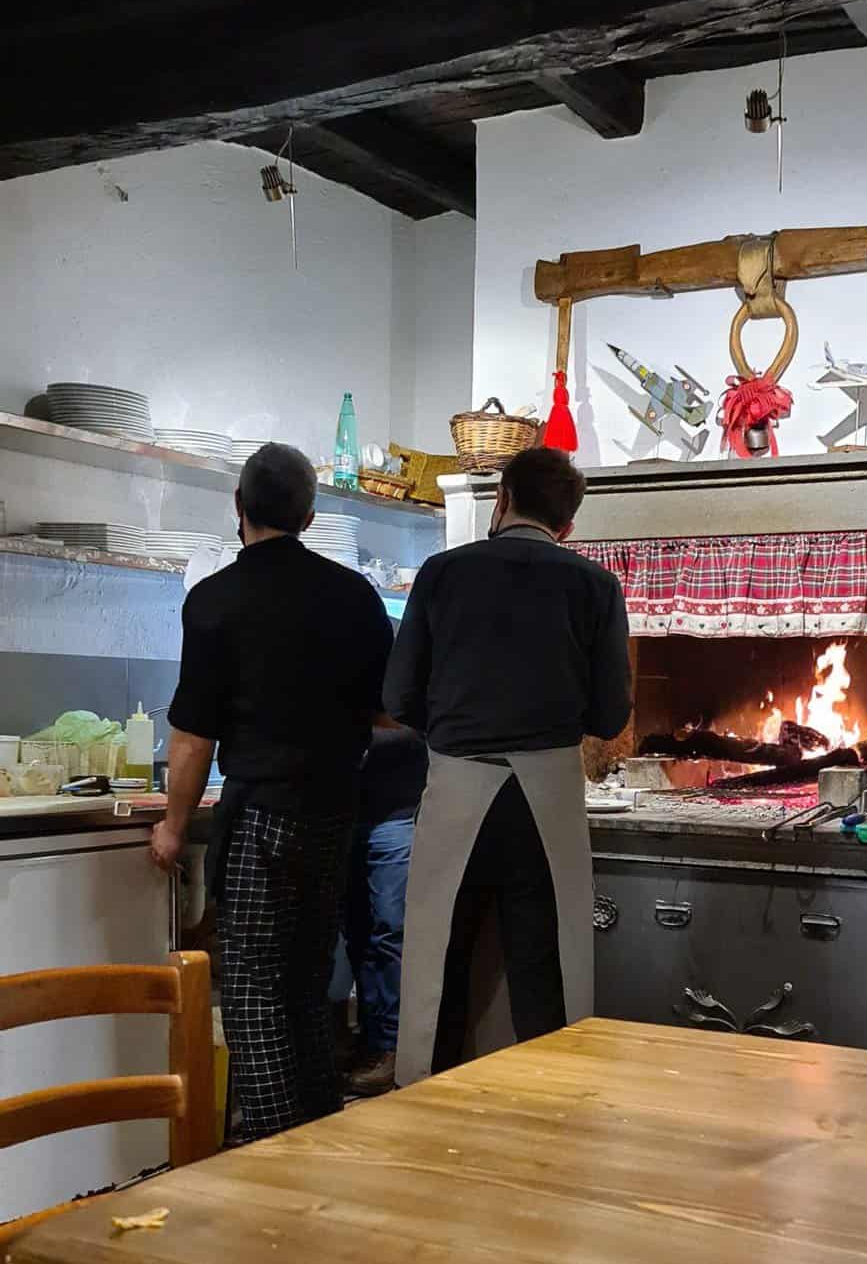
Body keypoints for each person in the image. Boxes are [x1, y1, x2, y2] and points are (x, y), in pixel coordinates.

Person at [152, 442, 393, 1140]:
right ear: (311, 515)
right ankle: (317, 1132)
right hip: (332, 815)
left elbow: (193, 737)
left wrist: (171, 826)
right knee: (307, 984)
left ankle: (272, 1148)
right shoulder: (354, 596)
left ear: (239, 507)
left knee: (254, 991)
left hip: (259, 814)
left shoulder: (214, 600)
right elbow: (386, 710)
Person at [383, 444, 631, 1086]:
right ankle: (552, 1119)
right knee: (547, 975)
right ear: (567, 525)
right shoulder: (597, 586)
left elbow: (398, 697)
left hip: (456, 786)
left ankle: (424, 1110)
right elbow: (609, 717)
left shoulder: (440, 574)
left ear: (502, 500)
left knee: (439, 965)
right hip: (546, 796)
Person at [340, 722, 428, 1095]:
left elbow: (416, 731)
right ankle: (370, 1041)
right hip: (342, 816)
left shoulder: (399, 669)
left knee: (391, 932)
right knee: (356, 935)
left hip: (397, 814)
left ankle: (393, 1047)